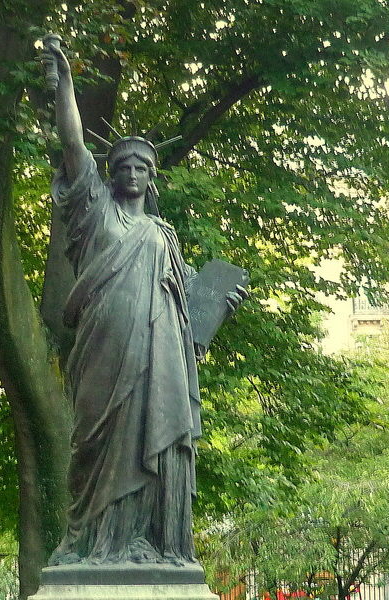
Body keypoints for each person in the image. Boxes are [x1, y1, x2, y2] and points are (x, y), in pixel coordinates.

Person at [42, 40, 245, 566]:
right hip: (102, 352)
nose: (131, 173)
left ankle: (144, 542)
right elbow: (71, 145)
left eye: (141, 167)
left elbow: (183, 311)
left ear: (152, 178)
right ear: (110, 174)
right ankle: (90, 541)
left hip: (159, 359)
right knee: (96, 446)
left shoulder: (164, 235)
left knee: (150, 443)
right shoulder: (94, 214)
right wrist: (66, 85)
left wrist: (215, 310)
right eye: (123, 166)